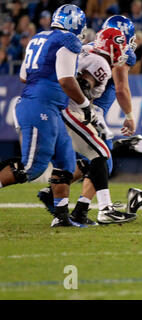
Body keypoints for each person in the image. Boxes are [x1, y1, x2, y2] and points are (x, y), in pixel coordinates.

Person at [37, 15, 138, 225]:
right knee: (103, 158)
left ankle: (61, 201)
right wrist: (128, 115)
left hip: (66, 107)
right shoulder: (108, 55)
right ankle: (89, 210)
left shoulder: (89, 48)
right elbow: (120, 88)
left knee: (85, 161)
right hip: (85, 111)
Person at [0, 4, 89, 227]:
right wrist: (84, 104)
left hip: (46, 106)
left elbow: (23, 76)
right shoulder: (68, 40)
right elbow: (66, 80)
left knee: (66, 162)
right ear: (75, 23)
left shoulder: (39, 37)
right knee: (33, 167)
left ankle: (61, 216)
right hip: (40, 106)